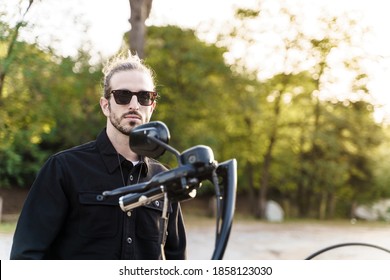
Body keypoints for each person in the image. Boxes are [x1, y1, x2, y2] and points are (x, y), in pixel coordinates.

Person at [10, 52, 187, 260]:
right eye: (122, 95)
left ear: (152, 106)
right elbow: (26, 256)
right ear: (105, 105)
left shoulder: (164, 180)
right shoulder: (63, 168)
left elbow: (177, 261)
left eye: (144, 97)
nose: (134, 105)